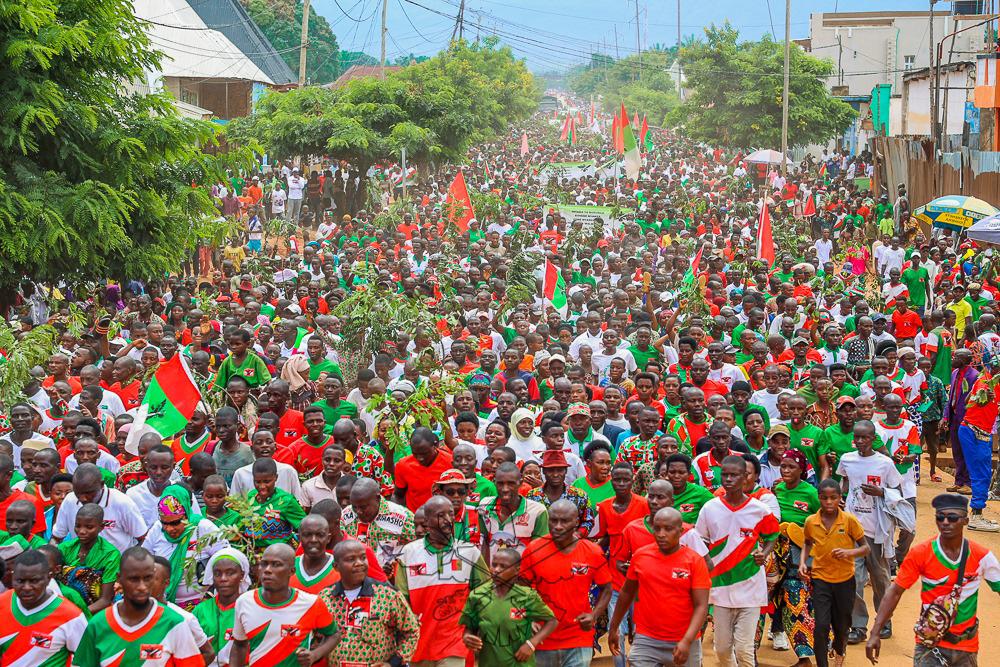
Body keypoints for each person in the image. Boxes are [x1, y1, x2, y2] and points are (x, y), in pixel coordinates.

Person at [866, 493, 1000, 667]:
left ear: (965, 521)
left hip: (966, 647)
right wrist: (876, 631)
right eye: (940, 517)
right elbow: (895, 591)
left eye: (952, 518)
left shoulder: (982, 557)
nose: (945, 522)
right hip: (930, 646)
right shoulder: (921, 553)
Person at [695, 455, 779, 667]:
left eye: (734, 475)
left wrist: (765, 553)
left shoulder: (759, 509)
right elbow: (701, 539)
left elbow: (772, 535)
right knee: (722, 650)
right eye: (725, 475)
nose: (729, 479)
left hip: (750, 586)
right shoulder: (710, 508)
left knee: (744, 649)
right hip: (721, 586)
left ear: (745, 478)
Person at [609, 507, 711, 667]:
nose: (661, 534)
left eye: (668, 529)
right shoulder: (641, 557)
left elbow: (701, 606)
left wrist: (687, 640)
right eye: (657, 528)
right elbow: (626, 593)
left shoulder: (695, 561)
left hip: (684, 640)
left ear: (681, 530)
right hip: (646, 640)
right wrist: (614, 627)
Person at [396, 495, 487, 667]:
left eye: (451, 514)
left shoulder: (469, 552)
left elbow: (484, 594)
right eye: (441, 515)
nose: (448, 520)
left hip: (454, 642)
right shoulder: (408, 553)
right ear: (428, 521)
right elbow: (402, 599)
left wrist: (473, 629)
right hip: (418, 644)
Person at [837, 420, 905, 645]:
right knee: (853, 579)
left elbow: (897, 490)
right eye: (857, 438)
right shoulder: (847, 459)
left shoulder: (884, 463)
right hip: (852, 529)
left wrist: (881, 491)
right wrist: (840, 499)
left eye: (865, 438)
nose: (860, 442)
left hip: (877, 530)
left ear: (873, 438)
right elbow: (844, 483)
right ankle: (857, 625)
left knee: (880, 578)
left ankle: (884, 620)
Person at [73, 546, 202, 666]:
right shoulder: (98, 624)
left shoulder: (174, 623)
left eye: (148, 578)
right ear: (119, 578)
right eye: (134, 579)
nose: (142, 587)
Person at [520, 499, 612, 667]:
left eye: (565, 521)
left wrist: (594, 615)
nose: (558, 526)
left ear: (576, 522)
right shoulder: (533, 550)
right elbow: (521, 588)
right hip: (542, 638)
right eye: (553, 520)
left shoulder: (592, 552)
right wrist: (528, 618)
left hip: (578, 637)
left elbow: (606, 588)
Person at [230, 543, 340, 666]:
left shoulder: (311, 603)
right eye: (264, 563)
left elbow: (334, 635)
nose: (267, 570)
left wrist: (315, 655)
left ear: (291, 571)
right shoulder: (244, 601)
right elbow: (239, 645)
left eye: (276, 565)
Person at [800, 479, 869, 667]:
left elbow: (865, 548)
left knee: (842, 625)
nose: (829, 502)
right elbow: (807, 543)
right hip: (821, 579)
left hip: (845, 580)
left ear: (840, 498)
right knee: (821, 626)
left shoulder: (849, 521)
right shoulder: (811, 522)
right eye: (824, 498)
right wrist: (802, 563)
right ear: (819, 498)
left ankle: (840, 650)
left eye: (833, 498)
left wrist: (849, 552)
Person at [321, 539, 420, 666]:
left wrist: (393, 663)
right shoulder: (325, 597)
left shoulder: (388, 595)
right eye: (351, 559)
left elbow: (412, 631)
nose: (359, 563)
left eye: (363, 558)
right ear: (336, 567)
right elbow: (315, 638)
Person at [461, 547, 558, 667]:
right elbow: (470, 627)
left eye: (503, 566)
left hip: (520, 664)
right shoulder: (478, 595)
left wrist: (531, 643)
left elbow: (552, 621)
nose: (496, 570)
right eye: (494, 565)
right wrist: (467, 637)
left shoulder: (527, 596)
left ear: (516, 570)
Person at [0, 549, 88, 665]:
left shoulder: (72, 616)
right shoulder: (2, 603)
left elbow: (86, 658)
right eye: (20, 581)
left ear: (48, 578)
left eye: (34, 581)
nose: (26, 587)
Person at [192, 547, 252, 667]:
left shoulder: (250, 609)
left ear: (242, 575)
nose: (223, 578)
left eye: (230, 573)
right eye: (217, 574)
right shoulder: (200, 610)